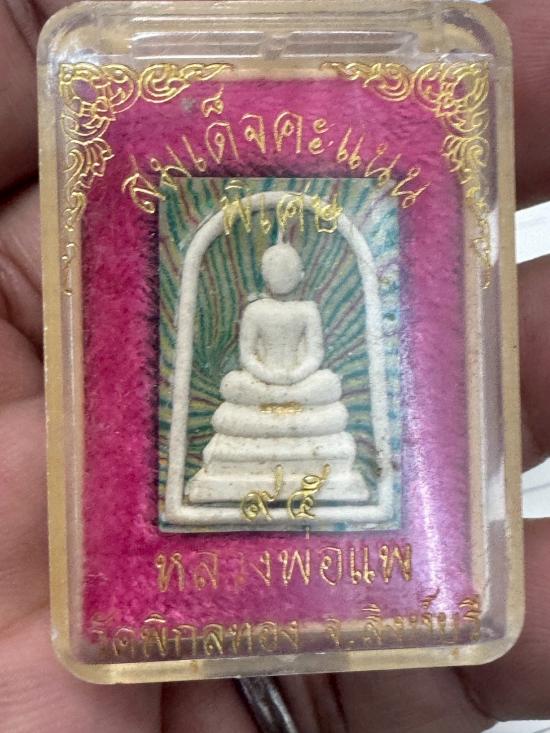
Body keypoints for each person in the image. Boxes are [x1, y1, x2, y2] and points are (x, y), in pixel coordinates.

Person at [1, 1, 549, 731]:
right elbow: (247, 357)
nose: (283, 277)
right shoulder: (257, 307)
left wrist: (293, 383)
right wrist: (268, 383)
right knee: (234, 389)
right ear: (266, 271)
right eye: (275, 270)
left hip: (304, 399)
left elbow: (314, 359)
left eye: (291, 270)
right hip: (254, 399)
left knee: (325, 390)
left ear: (299, 272)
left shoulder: (307, 307)